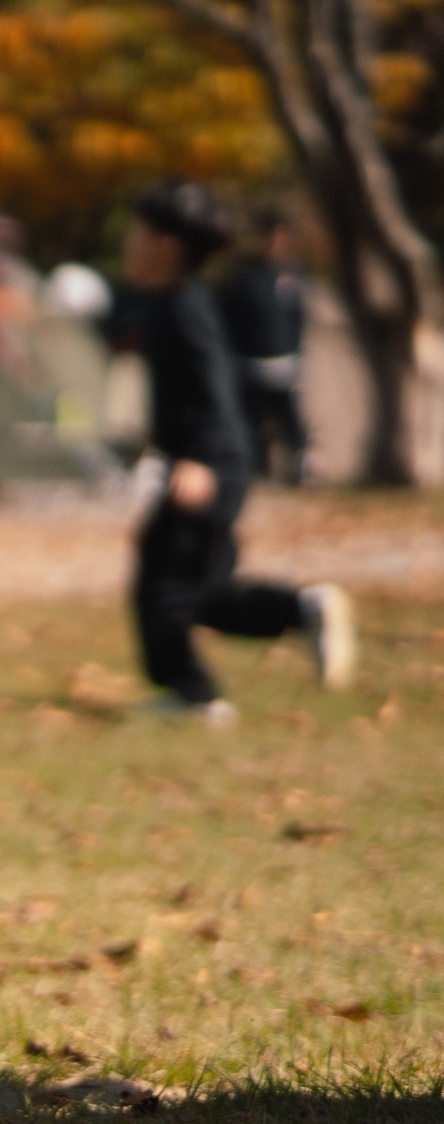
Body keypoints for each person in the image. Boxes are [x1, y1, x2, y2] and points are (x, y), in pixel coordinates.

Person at [118, 180, 354, 720]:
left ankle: (193, 697)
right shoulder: (170, 303)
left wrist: (198, 457)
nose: (129, 244)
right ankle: (300, 609)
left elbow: (214, 383)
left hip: (210, 463)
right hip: (219, 462)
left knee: (165, 583)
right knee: (206, 591)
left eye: (137, 233)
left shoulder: (185, 305)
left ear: (167, 247)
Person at [218, 209, 310, 486]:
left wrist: (296, 352)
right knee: (251, 422)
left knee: (289, 421)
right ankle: (256, 473)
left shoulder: (293, 275)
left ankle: (298, 470)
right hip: (249, 363)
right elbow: (230, 319)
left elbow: (297, 317)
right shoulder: (242, 277)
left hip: (285, 361)